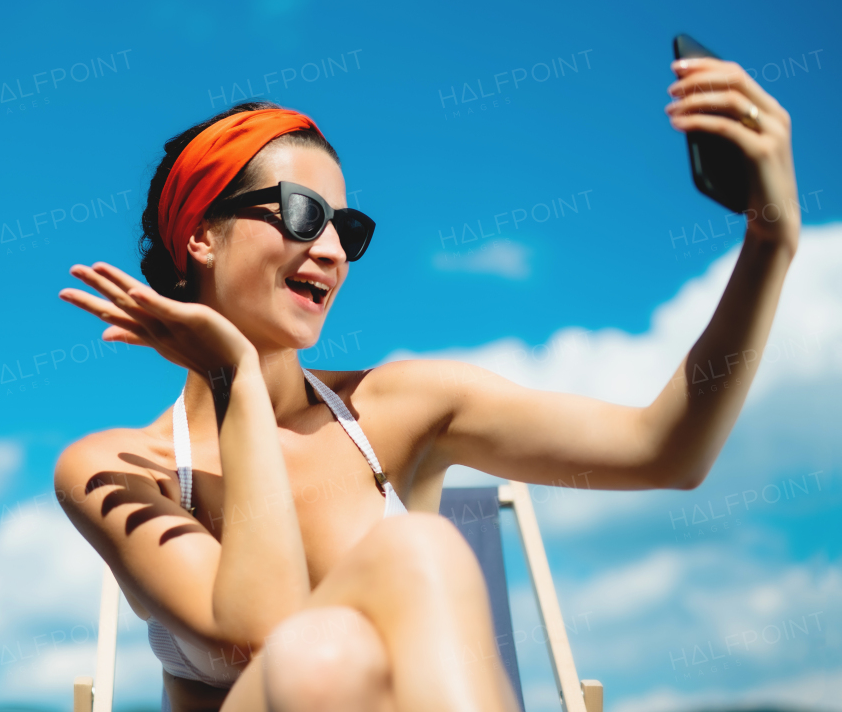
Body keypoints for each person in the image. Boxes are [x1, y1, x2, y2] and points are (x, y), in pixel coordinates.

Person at [53, 57, 800, 712]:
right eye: (305, 215)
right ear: (201, 235)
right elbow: (262, 631)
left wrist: (769, 242)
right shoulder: (118, 470)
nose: (334, 250)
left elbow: (665, 451)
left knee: (353, 632)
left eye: (349, 228)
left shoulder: (397, 408)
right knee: (366, 600)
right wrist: (234, 380)